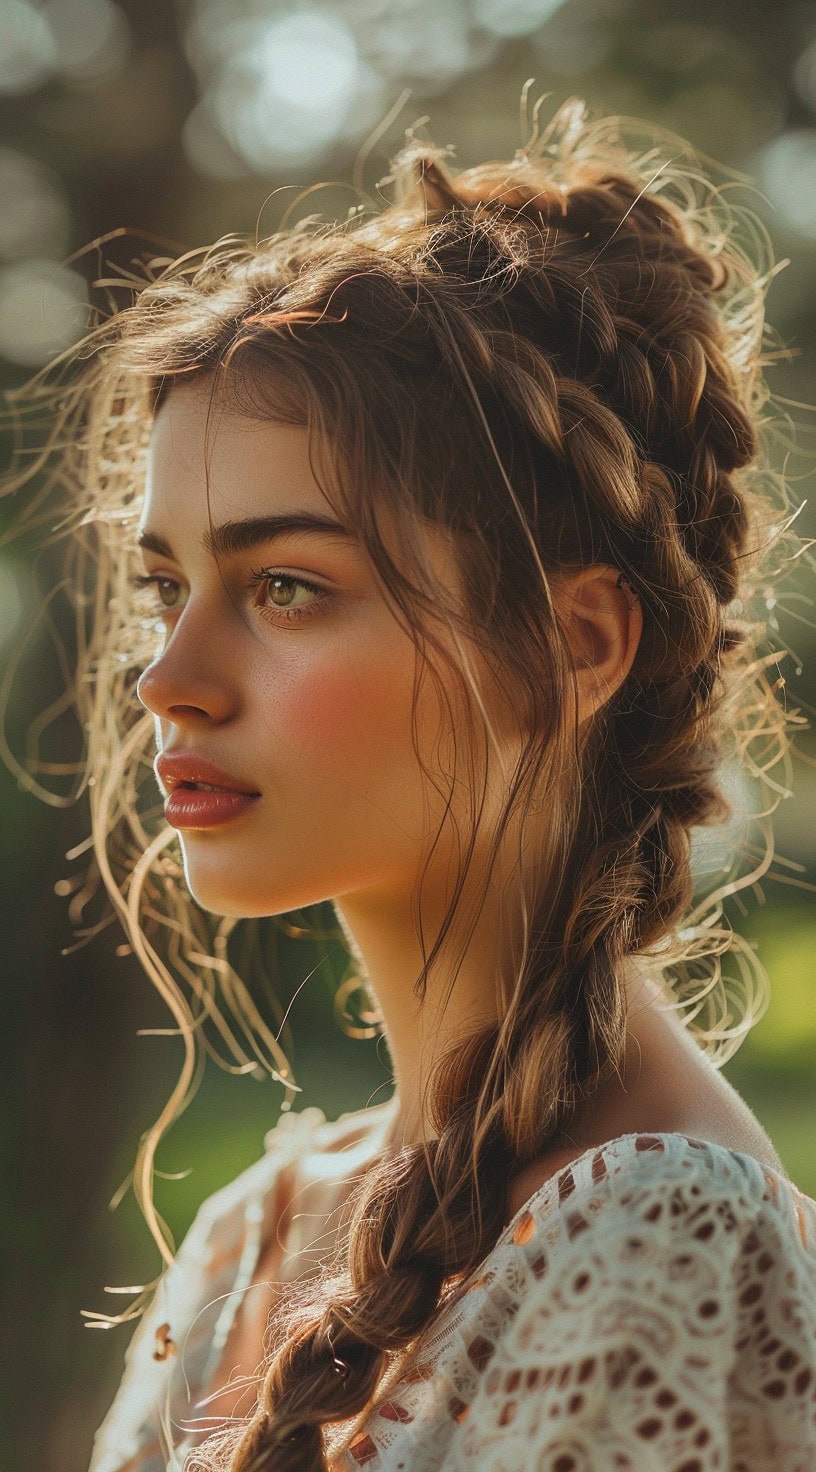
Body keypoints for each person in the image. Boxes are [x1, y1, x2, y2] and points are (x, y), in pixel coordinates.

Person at [3, 93, 815, 1471]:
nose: (167, 680)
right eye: (164, 589)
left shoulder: (656, 1247)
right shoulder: (252, 1236)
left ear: (573, 646)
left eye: (284, 587)